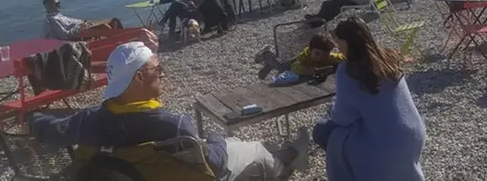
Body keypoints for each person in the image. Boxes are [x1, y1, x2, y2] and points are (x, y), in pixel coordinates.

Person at [28, 42, 309, 181]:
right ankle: (290, 156)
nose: (163, 73)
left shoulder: (87, 120)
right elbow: (214, 163)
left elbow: (49, 130)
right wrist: (216, 139)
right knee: (255, 149)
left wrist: (32, 119)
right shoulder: (173, 126)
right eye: (156, 69)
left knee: (232, 142)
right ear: (138, 78)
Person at [312, 17, 426, 181]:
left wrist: (332, 107)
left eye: (339, 41)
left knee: (322, 130)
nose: (337, 45)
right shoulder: (388, 57)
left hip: (386, 146)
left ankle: (355, 172)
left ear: (347, 42)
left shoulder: (348, 70)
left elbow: (342, 118)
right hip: (414, 134)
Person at [256, 32, 346, 79]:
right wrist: (314, 71)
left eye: (325, 54)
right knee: (282, 66)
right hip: (296, 61)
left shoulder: (331, 56)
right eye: (318, 54)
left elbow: (343, 58)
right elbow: (295, 68)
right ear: (311, 51)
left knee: (279, 65)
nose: (321, 57)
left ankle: (269, 65)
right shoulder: (306, 56)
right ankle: (266, 54)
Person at [42, 0, 124, 41]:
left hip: (84, 26)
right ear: (48, 6)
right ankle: (117, 42)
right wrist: (80, 26)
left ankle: (123, 37)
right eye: (56, 4)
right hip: (79, 33)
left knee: (114, 20)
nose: (59, 5)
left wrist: (83, 23)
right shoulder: (53, 20)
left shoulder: (58, 15)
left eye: (58, 3)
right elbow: (65, 35)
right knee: (105, 27)